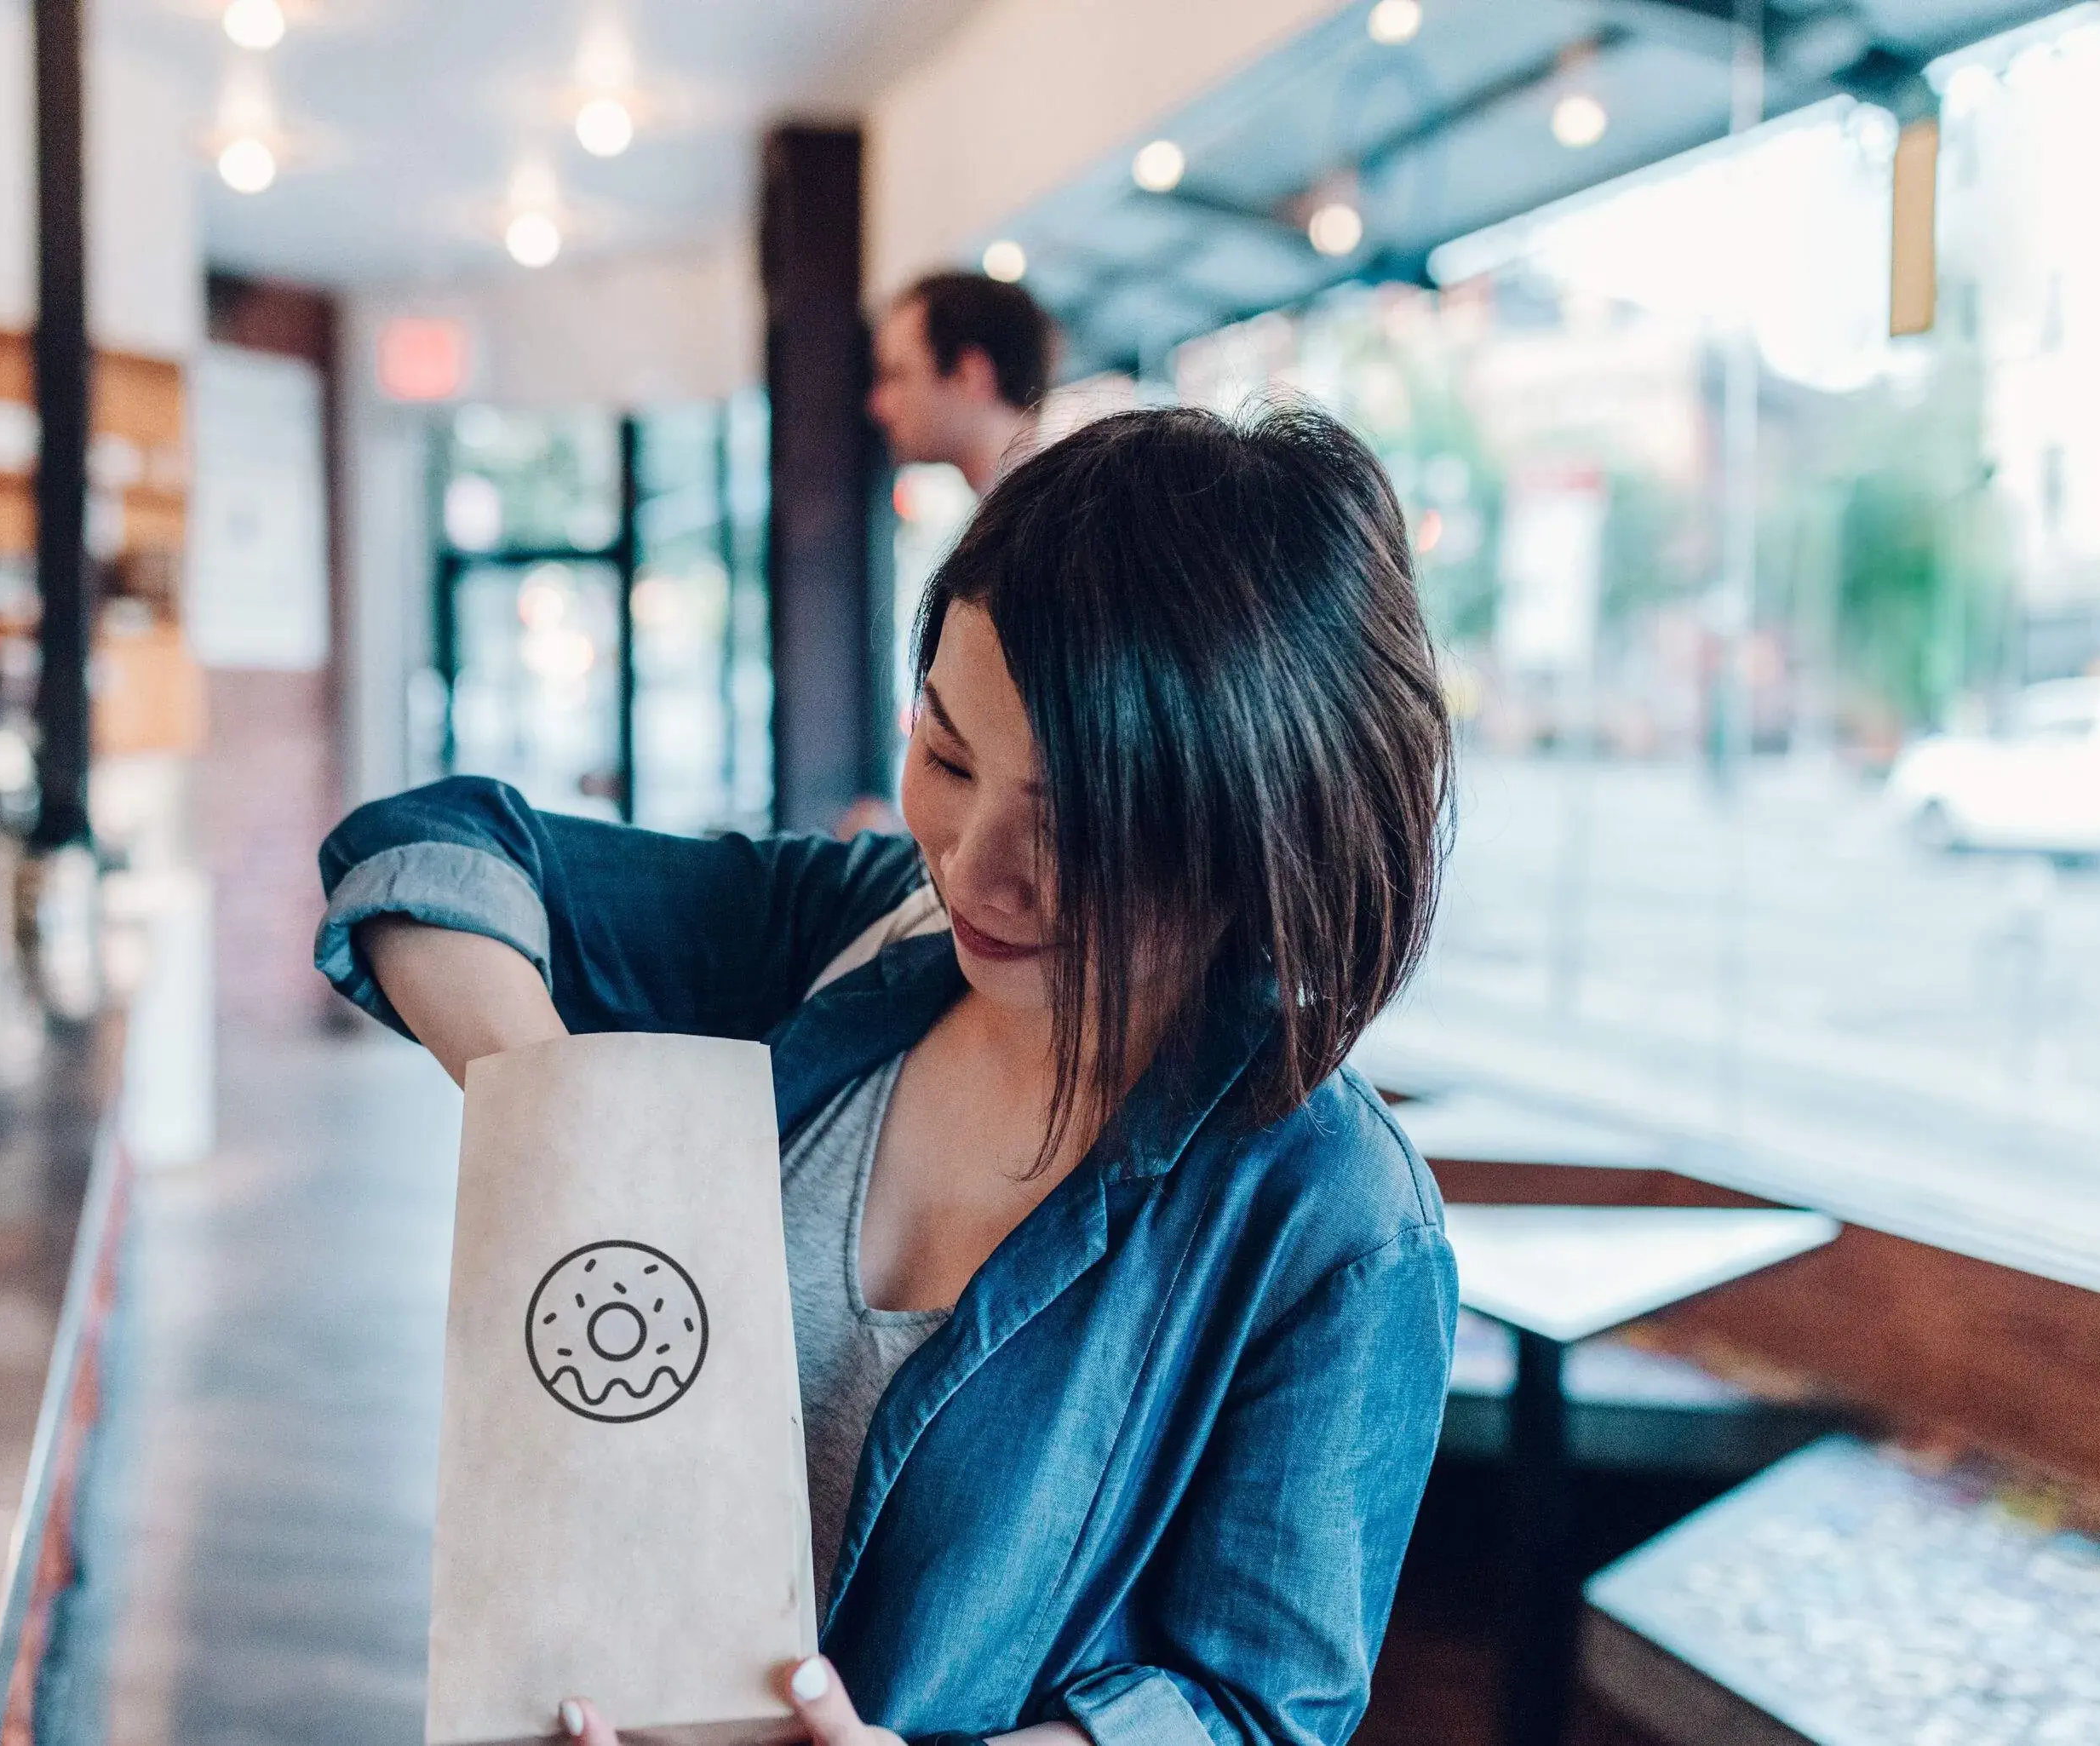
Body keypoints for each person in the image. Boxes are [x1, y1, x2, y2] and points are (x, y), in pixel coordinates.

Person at [317, 402, 1459, 1746]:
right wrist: (581, 1129)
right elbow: (433, 851)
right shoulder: (859, 929)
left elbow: (1256, 1710)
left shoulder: (1332, 1217)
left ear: (1261, 831)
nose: (970, 869)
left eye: (1078, 829)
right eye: (949, 756)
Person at [868, 271, 1055, 496]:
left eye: (897, 375)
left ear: (971, 376)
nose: (877, 406)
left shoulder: (1050, 521)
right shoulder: (1038, 509)